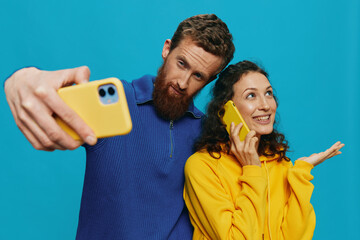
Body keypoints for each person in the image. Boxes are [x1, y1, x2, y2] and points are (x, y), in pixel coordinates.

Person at [4, 14, 235, 239]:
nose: (183, 83)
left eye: (198, 76)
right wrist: (20, 80)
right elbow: (47, 104)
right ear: (167, 50)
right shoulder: (114, 100)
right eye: (181, 63)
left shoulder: (207, 132)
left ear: (210, 80)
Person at [183, 60, 344, 240]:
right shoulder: (202, 167)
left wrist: (300, 174)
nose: (266, 105)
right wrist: (252, 170)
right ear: (226, 110)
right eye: (251, 96)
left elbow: (296, 236)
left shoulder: (280, 164)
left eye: (268, 93)